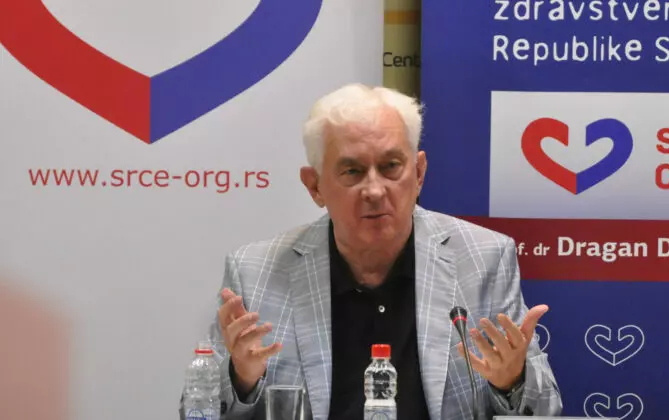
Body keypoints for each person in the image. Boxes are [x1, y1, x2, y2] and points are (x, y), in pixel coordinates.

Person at [192, 83, 562, 419]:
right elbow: (195, 410)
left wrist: (511, 381)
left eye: (391, 167)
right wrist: (241, 380)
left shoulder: (483, 260)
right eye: (352, 172)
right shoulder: (255, 272)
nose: (374, 190)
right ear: (315, 185)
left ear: (419, 173)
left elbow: (547, 411)